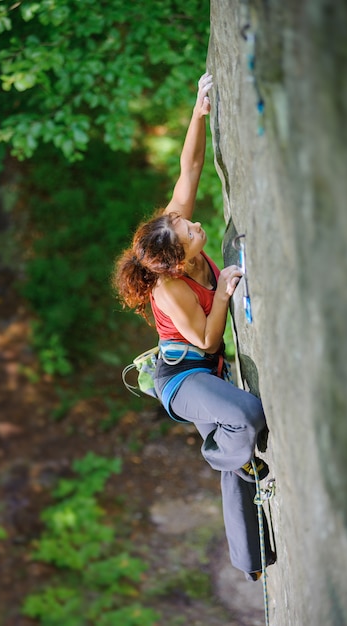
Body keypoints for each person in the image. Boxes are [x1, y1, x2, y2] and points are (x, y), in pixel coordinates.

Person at [113, 73, 275, 581]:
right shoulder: (171, 287)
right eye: (186, 232)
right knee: (244, 417)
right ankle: (217, 454)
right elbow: (206, 338)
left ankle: (251, 563)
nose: (192, 225)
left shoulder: (169, 235)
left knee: (240, 464)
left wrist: (198, 111)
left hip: (207, 370)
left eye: (182, 223)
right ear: (176, 263)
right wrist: (224, 291)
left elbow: (191, 166)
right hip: (183, 380)